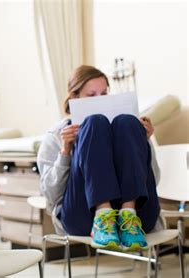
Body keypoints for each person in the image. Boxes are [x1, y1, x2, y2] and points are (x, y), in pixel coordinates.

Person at [37, 65, 161, 252]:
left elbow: (155, 179)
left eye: (104, 94)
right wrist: (65, 151)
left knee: (127, 121)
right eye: (91, 95)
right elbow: (51, 196)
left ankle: (128, 213)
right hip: (83, 216)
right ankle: (103, 213)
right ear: (74, 98)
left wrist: (143, 143)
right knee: (95, 123)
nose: (100, 100)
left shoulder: (129, 129)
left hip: (138, 217)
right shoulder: (56, 135)